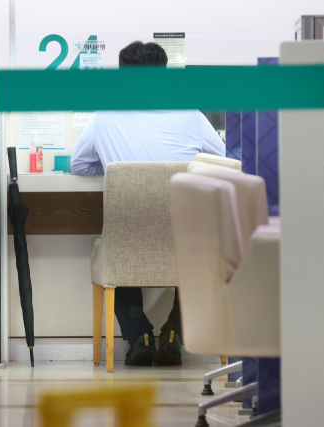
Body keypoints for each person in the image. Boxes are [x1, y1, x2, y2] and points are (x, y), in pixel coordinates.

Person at [71, 41, 226, 366]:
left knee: (116, 242)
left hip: (127, 240)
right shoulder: (191, 114)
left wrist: (115, 168)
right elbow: (222, 160)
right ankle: (174, 333)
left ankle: (138, 335)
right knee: (203, 249)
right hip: (185, 241)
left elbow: (79, 165)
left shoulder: (105, 116)